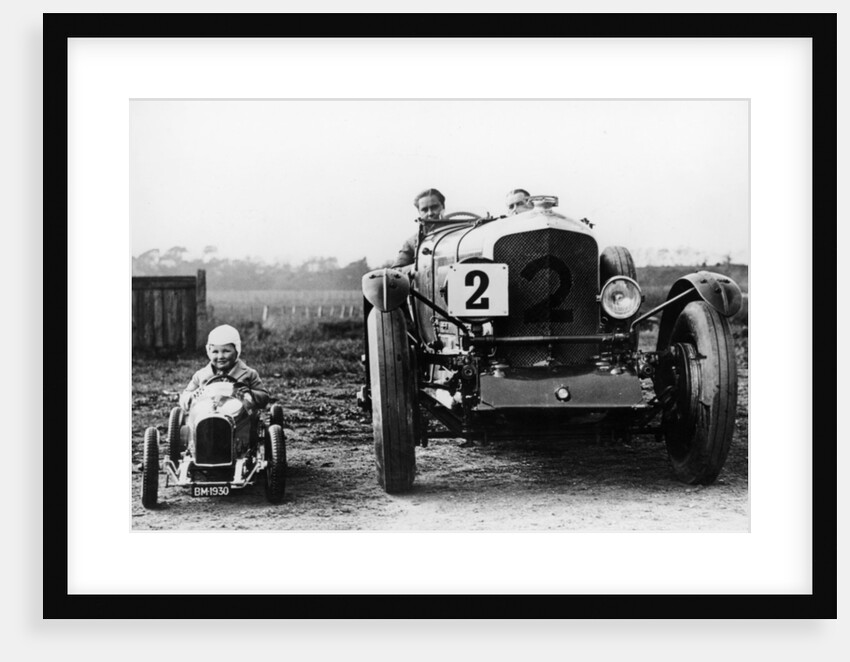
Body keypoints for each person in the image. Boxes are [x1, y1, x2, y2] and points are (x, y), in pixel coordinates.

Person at [179, 324, 270, 412]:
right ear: (208, 352)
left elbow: (264, 397)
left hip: (239, 418)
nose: (220, 356)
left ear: (236, 351)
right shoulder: (200, 375)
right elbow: (185, 396)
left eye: (226, 351)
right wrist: (192, 396)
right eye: (215, 352)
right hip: (208, 415)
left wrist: (251, 393)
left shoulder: (249, 374)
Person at [392, 188, 446, 268]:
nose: (430, 213)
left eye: (434, 207)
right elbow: (397, 271)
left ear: (443, 207)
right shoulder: (412, 242)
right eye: (424, 210)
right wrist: (420, 266)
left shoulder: (460, 233)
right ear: (419, 212)